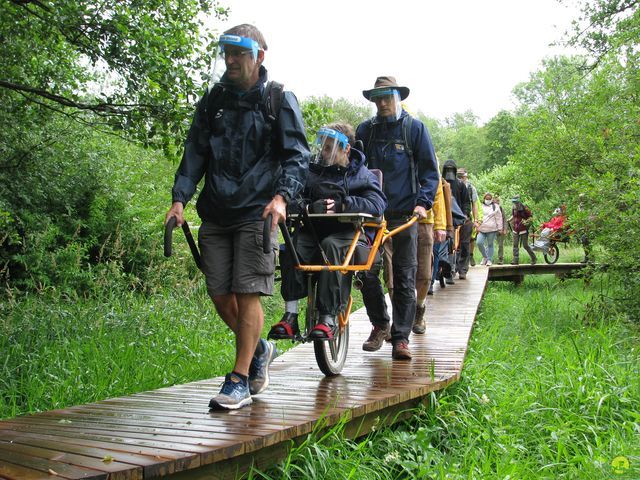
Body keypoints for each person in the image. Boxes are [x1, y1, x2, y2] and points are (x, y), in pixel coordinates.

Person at [166, 24, 310, 410]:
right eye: (225, 53)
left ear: (258, 57)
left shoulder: (278, 98)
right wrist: (180, 199)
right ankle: (260, 348)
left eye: (238, 53)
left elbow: (297, 156)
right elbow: (195, 152)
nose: (230, 60)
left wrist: (282, 198)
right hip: (216, 210)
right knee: (219, 294)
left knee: (249, 292)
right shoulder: (214, 100)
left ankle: (240, 379)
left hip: (258, 212)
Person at [268, 123, 386, 340]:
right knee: (292, 245)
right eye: (322, 146)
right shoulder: (309, 173)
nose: (323, 152)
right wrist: (308, 207)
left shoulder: (362, 174)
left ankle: (327, 319)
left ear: (345, 149)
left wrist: (344, 205)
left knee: (331, 246)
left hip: (348, 234)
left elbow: (377, 204)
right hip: (312, 232)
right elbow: (289, 200)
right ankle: (290, 316)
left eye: (329, 147)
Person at [356, 76, 440, 360]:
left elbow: (430, 172)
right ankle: (381, 324)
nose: (382, 103)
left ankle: (401, 338)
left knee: (405, 277)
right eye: (377, 98)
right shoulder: (365, 131)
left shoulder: (414, 129)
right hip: (369, 215)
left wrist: (422, 203)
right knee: (366, 271)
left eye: (387, 97)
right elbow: (354, 169)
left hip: (405, 215)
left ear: (397, 97)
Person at [441, 159, 471, 282]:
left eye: (451, 170)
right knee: (449, 245)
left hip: (460, 219)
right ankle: (450, 271)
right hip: (445, 220)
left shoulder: (460, 185)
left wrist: (465, 215)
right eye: (446, 170)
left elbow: (466, 202)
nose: (449, 172)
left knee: (463, 245)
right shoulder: (439, 184)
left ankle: (462, 270)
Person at [457, 168, 479, 269]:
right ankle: (454, 267)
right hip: (453, 218)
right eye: (459, 176)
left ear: (466, 177)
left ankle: (463, 268)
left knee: (466, 242)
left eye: (462, 176)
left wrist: (476, 220)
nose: (461, 178)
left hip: (466, 219)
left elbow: (475, 205)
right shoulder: (452, 185)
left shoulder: (471, 188)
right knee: (454, 244)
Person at [475, 192, 504, 266]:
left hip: (492, 229)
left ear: (492, 199)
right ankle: (485, 257)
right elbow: (477, 216)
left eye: (489, 199)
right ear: (484, 199)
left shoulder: (495, 206)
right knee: (479, 242)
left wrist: (500, 228)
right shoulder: (480, 206)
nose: (488, 200)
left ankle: (489, 260)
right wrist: (476, 225)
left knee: (490, 244)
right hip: (481, 228)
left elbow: (499, 218)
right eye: (486, 198)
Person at [509, 195, 537, 265]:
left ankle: (534, 258)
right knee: (515, 244)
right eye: (513, 202)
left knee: (525, 245)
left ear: (518, 201)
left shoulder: (525, 208)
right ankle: (515, 260)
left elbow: (530, 217)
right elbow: (513, 216)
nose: (514, 203)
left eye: (515, 202)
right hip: (515, 228)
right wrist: (509, 220)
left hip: (523, 229)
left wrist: (526, 222)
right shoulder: (513, 207)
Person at [493, 194, 508, 264]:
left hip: (501, 229)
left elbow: (504, 219)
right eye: (496, 200)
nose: (498, 202)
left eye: (498, 201)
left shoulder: (501, 208)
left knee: (500, 245)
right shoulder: (490, 208)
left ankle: (501, 259)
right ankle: (487, 259)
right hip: (491, 229)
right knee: (489, 244)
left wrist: (505, 229)